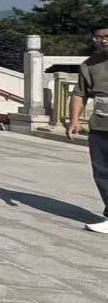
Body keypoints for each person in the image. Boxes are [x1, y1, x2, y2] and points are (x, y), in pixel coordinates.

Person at [69, 26, 108, 234]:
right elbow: (79, 94)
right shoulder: (89, 65)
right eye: (98, 37)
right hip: (100, 125)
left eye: (107, 36)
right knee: (102, 172)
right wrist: (74, 120)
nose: (103, 40)